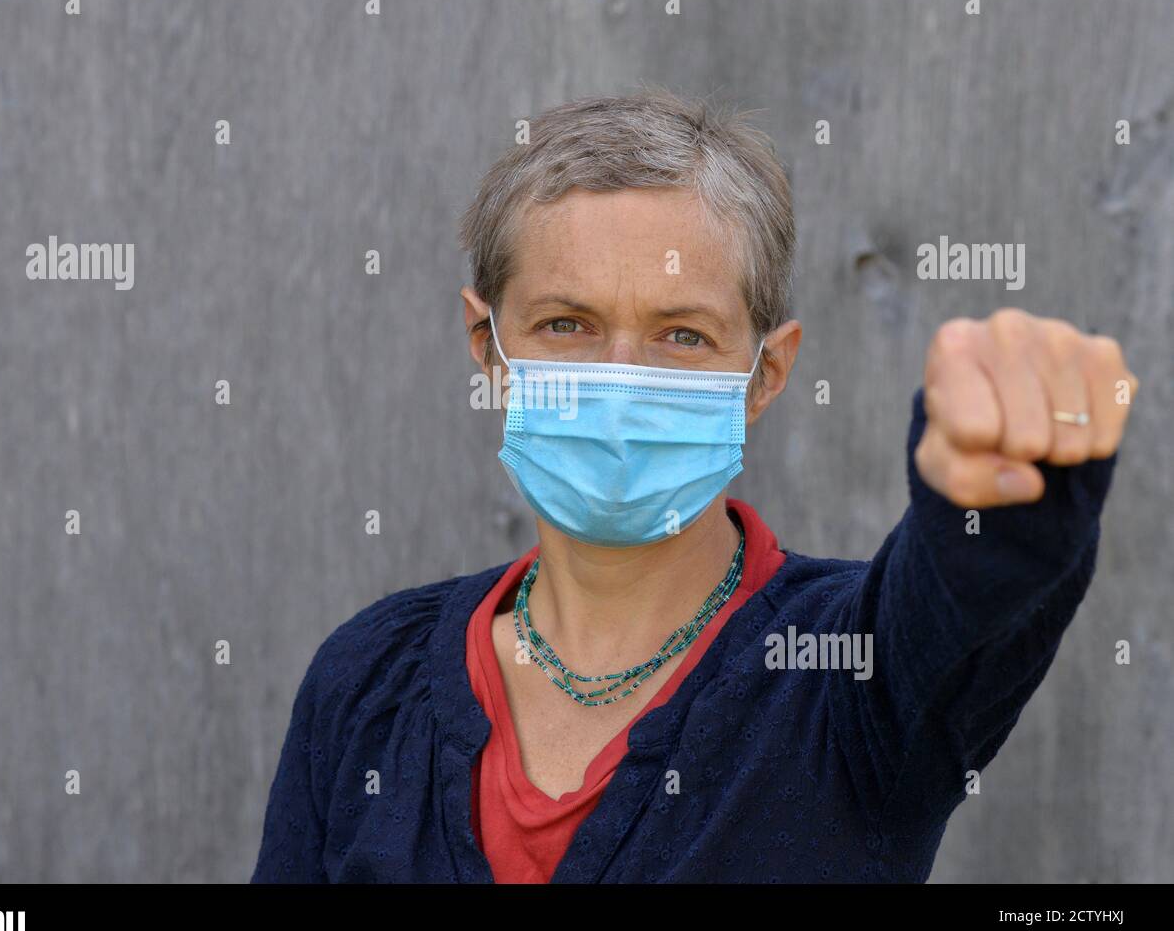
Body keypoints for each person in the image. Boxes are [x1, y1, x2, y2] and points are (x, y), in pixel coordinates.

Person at [252, 89, 1137, 883]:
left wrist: (1005, 479)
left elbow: (972, 591)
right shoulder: (368, 680)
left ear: (767, 371)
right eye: (567, 323)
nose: (623, 381)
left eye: (682, 336)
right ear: (487, 347)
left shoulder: (847, 677)